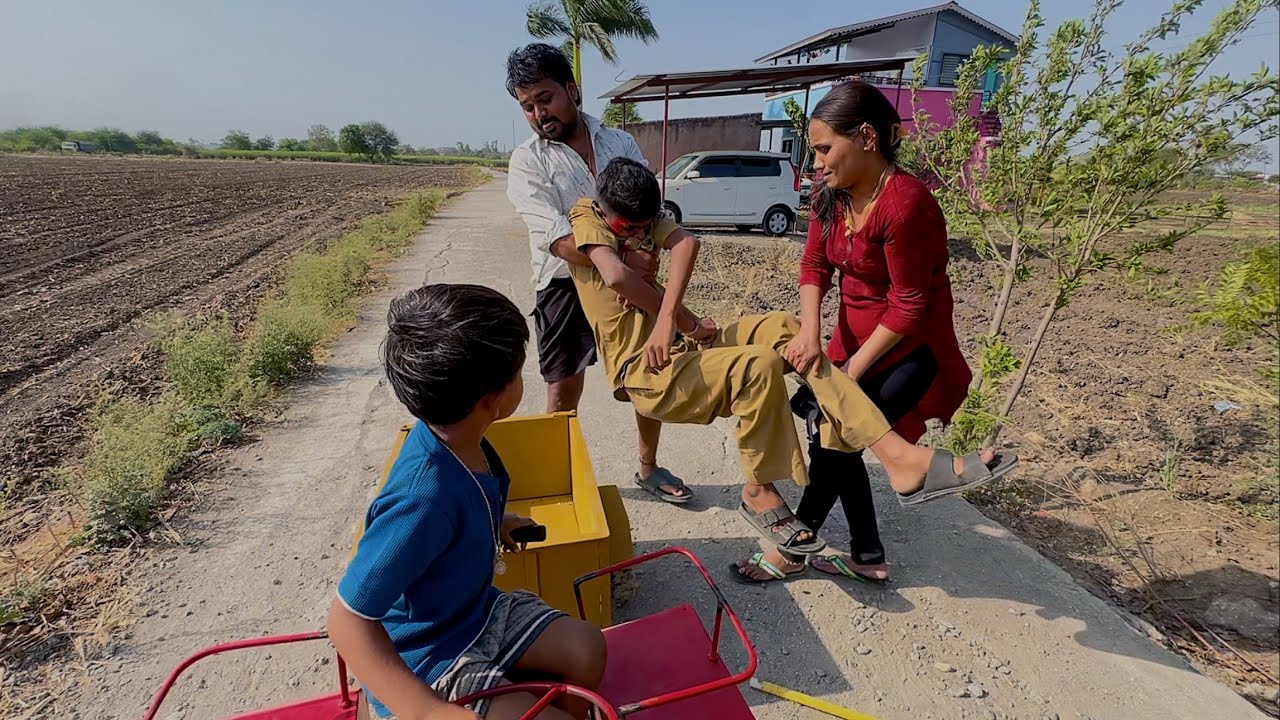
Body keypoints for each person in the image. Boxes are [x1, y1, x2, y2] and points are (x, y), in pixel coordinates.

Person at [567, 157, 1017, 560]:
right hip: (645, 372)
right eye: (631, 229)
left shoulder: (638, 217)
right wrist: (672, 317)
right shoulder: (587, 215)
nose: (643, 235)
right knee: (757, 368)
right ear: (605, 211)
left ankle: (897, 455)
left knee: (789, 331)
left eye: (649, 226)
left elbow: (686, 244)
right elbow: (615, 274)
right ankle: (760, 487)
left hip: (683, 345)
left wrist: (675, 322)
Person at [734, 81, 980, 584]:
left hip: (907, 349)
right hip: (850, 336)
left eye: (825, 148)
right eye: (814, 150)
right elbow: (815, 262)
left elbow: (910, 304)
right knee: (836, 433)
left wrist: (848, 376)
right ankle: (868, 555)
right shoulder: (834, 195)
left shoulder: (906, 204)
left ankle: (792, 550)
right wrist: (811, 333)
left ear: (867, 137)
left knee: (835, 438)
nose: (817, 162)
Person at [327, 284, 606, 720]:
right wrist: (423, 710)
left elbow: (462, 510)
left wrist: (497, 523)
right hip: (427, 655)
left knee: (587, 648)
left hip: (475, 612)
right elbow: (347, 620)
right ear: (491, 400)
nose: (522, 380)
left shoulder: (461, 437)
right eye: (517, 372)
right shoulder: (421, 497)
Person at [504, 43, 692, 504]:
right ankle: (558, 481)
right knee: (563, 386)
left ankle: (648, 468)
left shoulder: (619, 143)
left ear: (571, 89)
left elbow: (648, 205)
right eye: (526, 105)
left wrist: (640, 261)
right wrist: (623, 261)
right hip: (563, 284)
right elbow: (556, 237)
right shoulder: (528, 161)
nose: (537, 112)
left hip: (628, 286)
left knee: (651, 373)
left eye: (544, 98)